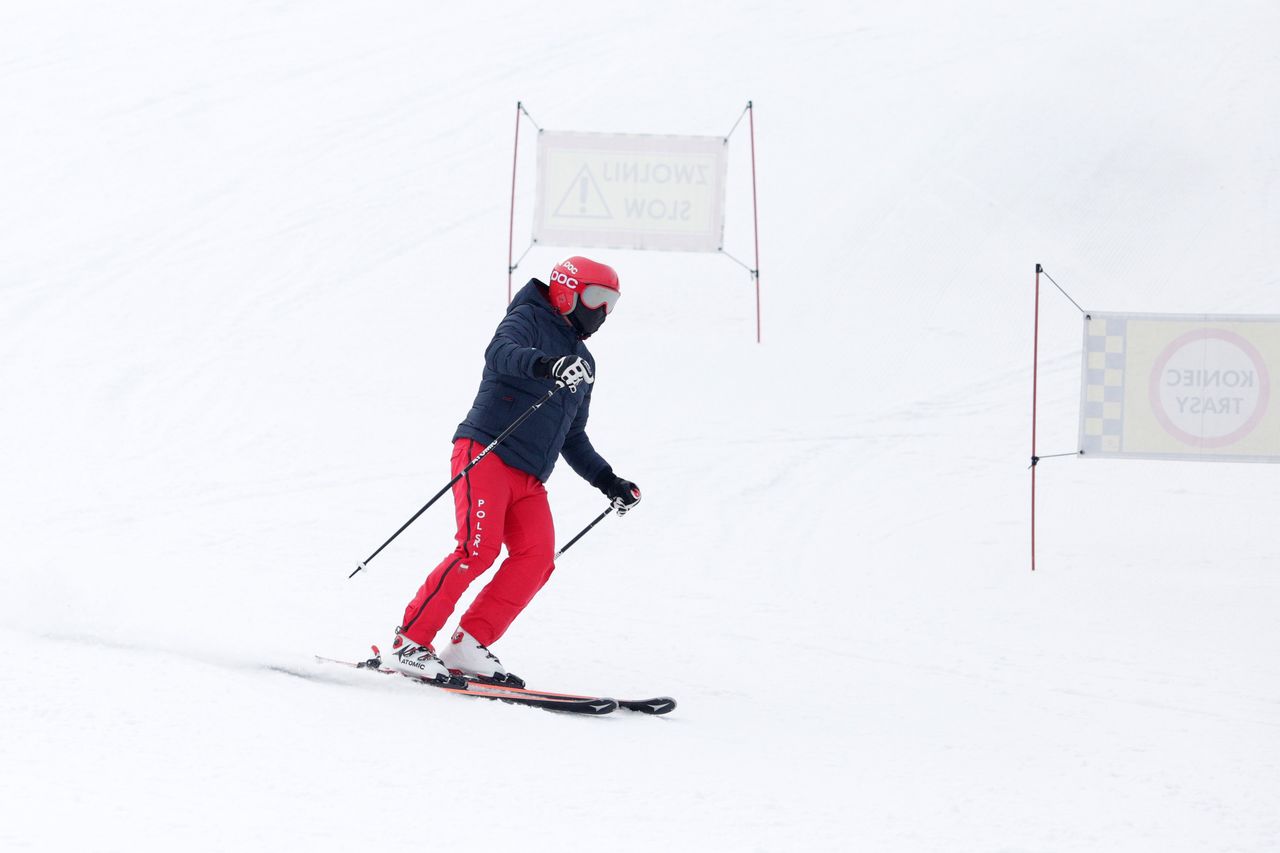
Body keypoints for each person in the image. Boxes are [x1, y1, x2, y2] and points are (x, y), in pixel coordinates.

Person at [386, 256, 641, 686]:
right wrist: (547, 365)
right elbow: (500, 353)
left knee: (537, 559)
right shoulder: (528, 317)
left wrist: (608, 481)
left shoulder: (585, 362)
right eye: (596, 298)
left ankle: (467, 645)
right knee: (476, 550)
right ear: (567, 289)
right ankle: (409, 642)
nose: (602, 313)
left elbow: (573, 437)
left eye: (611, 303)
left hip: (529, 478)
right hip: (486, 451)